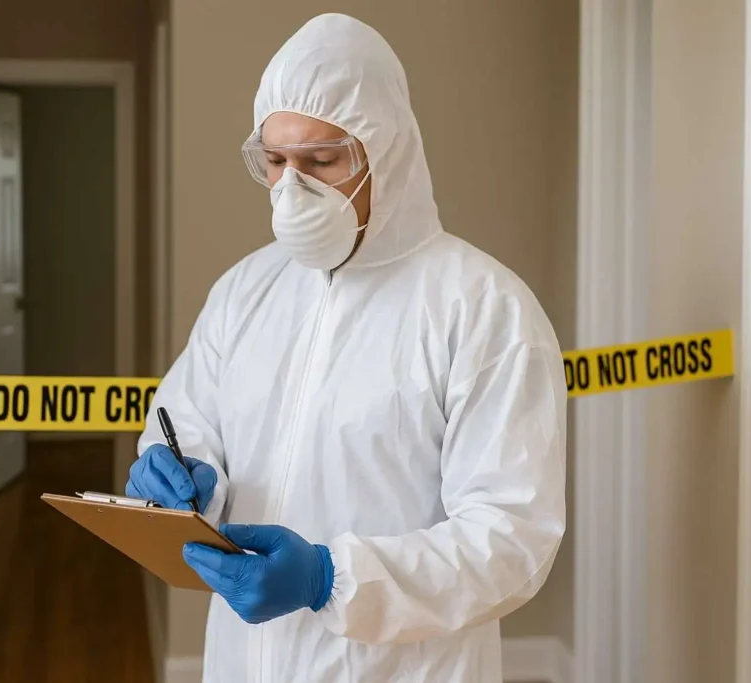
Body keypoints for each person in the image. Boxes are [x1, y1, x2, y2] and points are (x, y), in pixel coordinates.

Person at [128, 12, 566, 683]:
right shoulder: (245, 290)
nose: (291, 188)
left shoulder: (483, 310)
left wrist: (333, 578)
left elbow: (513, 540)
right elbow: (189, 415)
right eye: (274, 161)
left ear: (385, 153)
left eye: (322, 160)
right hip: (244, 663)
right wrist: (181, 469)